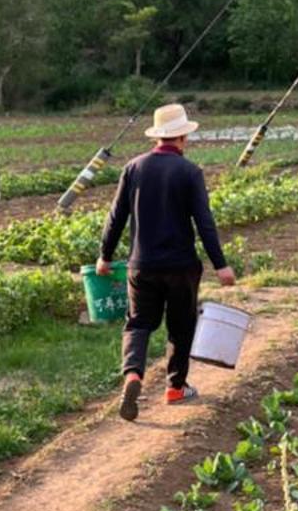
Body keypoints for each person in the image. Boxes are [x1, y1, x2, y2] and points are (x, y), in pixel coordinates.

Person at [97, 101, 236, 421]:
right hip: (181, 267)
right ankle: (175, 387)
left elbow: (116, 217)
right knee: (181, 325)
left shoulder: (134, 167)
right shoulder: (190, 172)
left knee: (138, 323)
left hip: (141, 265)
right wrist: (220, 265)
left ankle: (132, 374)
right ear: (183, 138)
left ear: (157, 138)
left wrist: (105, 256)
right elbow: (204, 222)